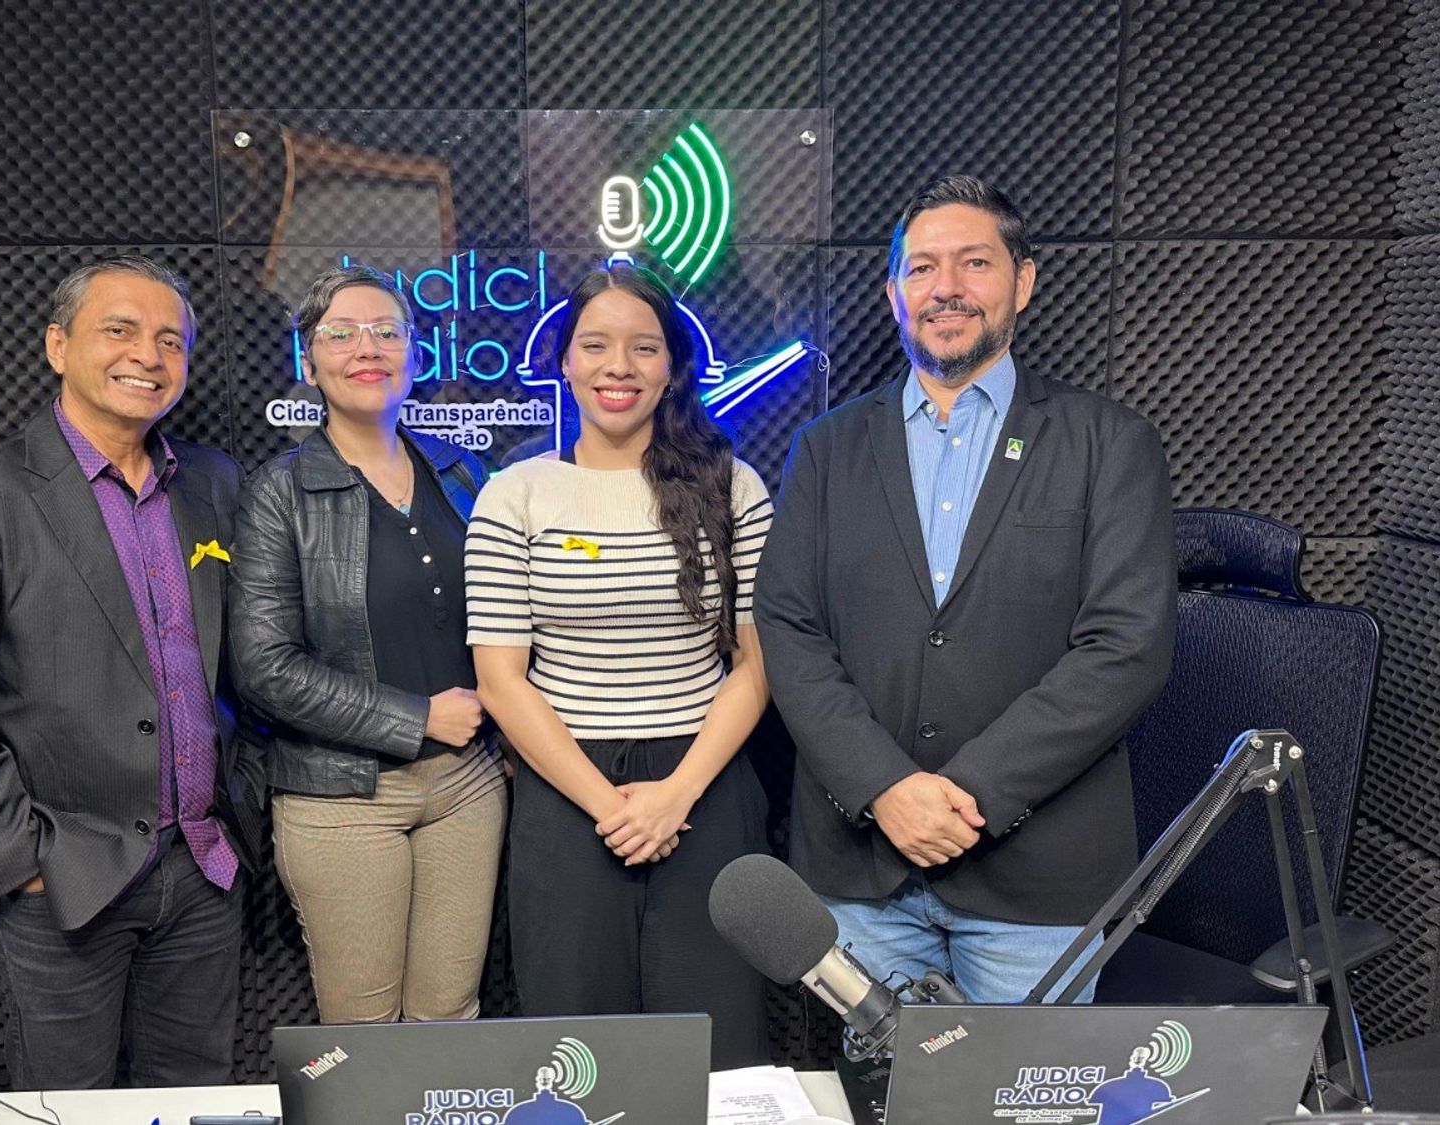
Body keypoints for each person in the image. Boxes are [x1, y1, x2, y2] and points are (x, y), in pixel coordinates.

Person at [754, 175, 1176, 1007]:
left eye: (973, 262)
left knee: (1025, 1105)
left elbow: (1127, 648)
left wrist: (967, 795)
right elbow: (789, 626)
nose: (945, 287)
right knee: (882, 1098)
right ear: (894, 294)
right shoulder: (827, 448)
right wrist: (885, 787)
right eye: (921, 269)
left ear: (1022, 280)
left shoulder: (1110, 444)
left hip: (1038, 881)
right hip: (863, 871)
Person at [0, 256, 263, 1088]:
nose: (149, 354)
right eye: (120, 330)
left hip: (203, 867)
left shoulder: (212, 484)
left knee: (193, 1097)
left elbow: (241, 668)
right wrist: (14, 859)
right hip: (62, 877)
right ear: (58, 345)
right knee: (68, 1107)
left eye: (171, 339)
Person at [466, 262, 774, 1067]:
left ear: (671, 364)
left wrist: (674, 796)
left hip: (704, 782)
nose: (619, 367)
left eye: (643, 348)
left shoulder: (733, 485)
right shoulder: (514, 493)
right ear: (563, 360)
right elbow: (502, 679)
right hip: (568, 792)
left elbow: (759, 666)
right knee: (579, 1050)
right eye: (595, 345)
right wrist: (611, 805)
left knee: (716, 1042)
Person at [227, 264, 505, 1023]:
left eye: (387, 331)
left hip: (468, 788)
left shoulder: (462, 472)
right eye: (340, 334)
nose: (367, 348)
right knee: (366, 1037)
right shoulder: (276, 490)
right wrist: (415, 716)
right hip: (341, 798)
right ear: (307, 362)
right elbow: (262, 667)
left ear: (417, 353)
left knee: (451, 1020)